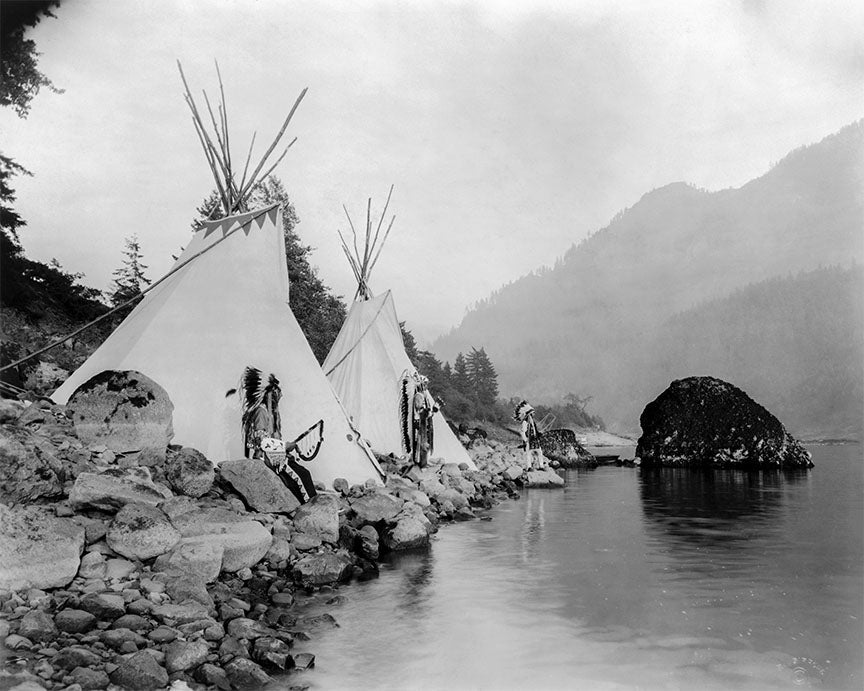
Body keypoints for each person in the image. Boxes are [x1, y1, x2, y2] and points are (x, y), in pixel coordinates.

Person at [514, 399, 546, 469]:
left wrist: (539, 434)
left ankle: (541, 466)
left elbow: (535, 431)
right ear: (529, 414)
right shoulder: (525, 422)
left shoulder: (532, 422)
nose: (534, 414)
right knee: (529, 454)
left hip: (535, 439)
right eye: (533, 413)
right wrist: (525, 440)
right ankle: (529, 467)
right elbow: (522, 432)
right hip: (529, 440)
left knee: (539, 452)